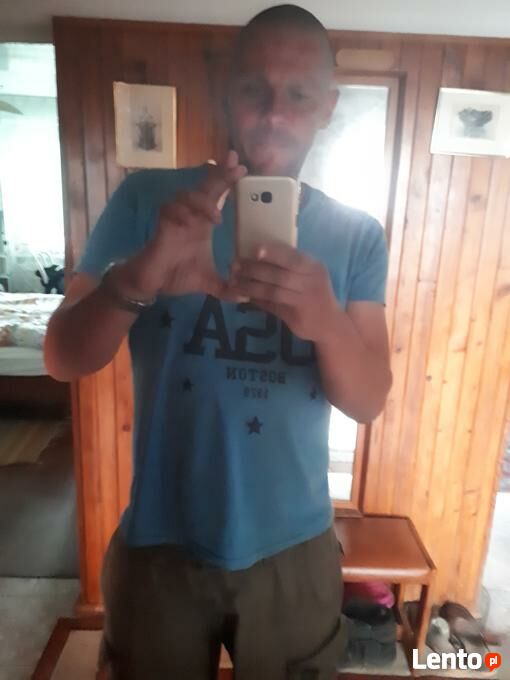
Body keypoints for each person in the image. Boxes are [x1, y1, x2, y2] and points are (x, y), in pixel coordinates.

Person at [45, 5, 392, 679]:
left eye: (299, 95)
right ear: (225, 91)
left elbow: (370, 398)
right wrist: (141, 274)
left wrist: (324, 318)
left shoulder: (357, 236)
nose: (274, 114)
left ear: (327, 107)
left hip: (294, 548)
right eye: (254, 89)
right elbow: (61, 358)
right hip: (159, 543)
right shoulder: (148, 200)